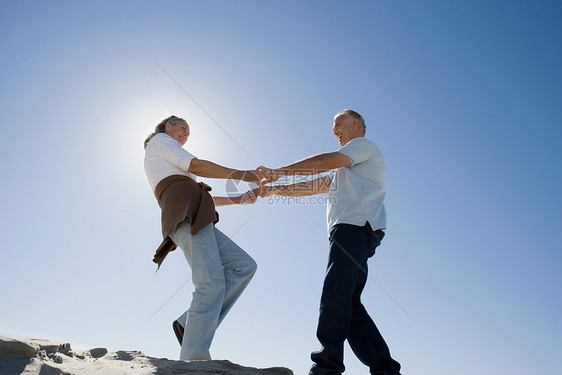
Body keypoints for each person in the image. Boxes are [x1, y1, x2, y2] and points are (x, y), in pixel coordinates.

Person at [259, 110, 402, 375]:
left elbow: (325, 160)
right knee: (350, 304)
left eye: (338, 124)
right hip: (360, 230)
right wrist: (274, 188)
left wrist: (280, 172)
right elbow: (312, 186)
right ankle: (386, 370)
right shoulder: (348, 167)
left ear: (356, 124)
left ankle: (326, 367)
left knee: (335, 295)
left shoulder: (361, 146)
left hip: (354, 227)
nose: (334, 130)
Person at [144, 115, 260, 361]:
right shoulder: (160, 141)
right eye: (183, 128)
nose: (185, 135)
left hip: (199, 215)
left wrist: (238, 200)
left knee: (244, 267)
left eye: (188, 133)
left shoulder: (171, 160)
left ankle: (188, 322)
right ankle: (193, 360)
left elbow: (201, 196)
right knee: (210, 283)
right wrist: (244, 175)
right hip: (185, 216)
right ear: (168, 126)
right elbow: (195, 166)